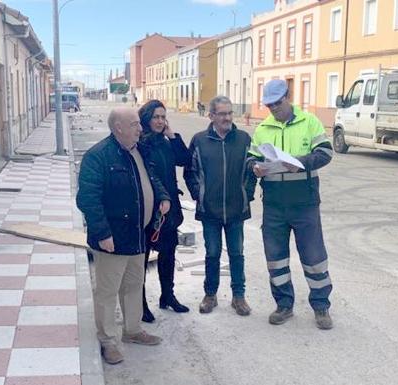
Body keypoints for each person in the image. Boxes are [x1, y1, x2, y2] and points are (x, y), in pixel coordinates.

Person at [76, 107, 169, 365]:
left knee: (132, 286)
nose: (141, 128)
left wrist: (162, 197)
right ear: (118, 127)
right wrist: (102, 232)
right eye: (135, 124)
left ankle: (132, 330)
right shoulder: (98, 156)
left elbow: (150, 179)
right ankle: (108, 341)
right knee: (107, 291)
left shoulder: (137, 150)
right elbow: (87, 199)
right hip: (112, 239)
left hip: (138, 235)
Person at [247, 79, 334, 330]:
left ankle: (321, 306)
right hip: (274, 203)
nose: (273, 108)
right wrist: (254, 167)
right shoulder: (263, 128)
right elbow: (250, 158)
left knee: (314, 256)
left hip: (304, 202)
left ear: (288, 97)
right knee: (276, 258)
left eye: (277, 102)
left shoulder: (309, 122)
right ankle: (284, 305)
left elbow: (325, 153)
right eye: (269, 105)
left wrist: (300, 161)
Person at [184, 96, 256, 316]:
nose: (227, 118)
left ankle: (239, 297)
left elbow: (252, 170)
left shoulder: (244, 139)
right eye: (222, 114)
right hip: (210, 211)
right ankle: (210, 295)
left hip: (236, 209)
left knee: (237, 253)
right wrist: (200, 195)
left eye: (229, 113)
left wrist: (247, 194)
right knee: (212, 253)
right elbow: (190, 172)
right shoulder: (199, 140)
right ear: (211, 116)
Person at [138, 100, 191, 323]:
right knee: (141, 258)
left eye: (163, 117)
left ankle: (167, 295)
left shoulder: (165, 141)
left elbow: (185, 159)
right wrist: (161, 197)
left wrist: (173, 135)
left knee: (168, 254)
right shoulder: (141, 144)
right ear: (146, 119)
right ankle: (139, 304)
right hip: (150, 208)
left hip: (169, 209)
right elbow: (150, 175)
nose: (160, 121)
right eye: (155, 117)